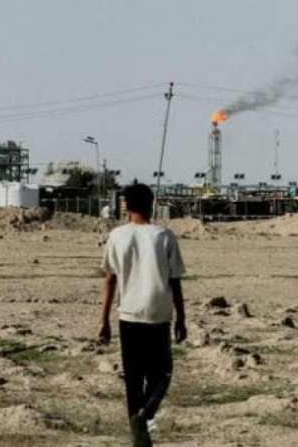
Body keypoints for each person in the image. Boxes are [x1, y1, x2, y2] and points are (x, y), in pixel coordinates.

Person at [98, 183, 187, 447]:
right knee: (162, 374)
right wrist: (181, 318)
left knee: (133, 379)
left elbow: (110, 280)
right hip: (158, 316)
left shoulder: (117, 236)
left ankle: (137, 430)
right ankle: (145, 415)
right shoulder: (164, 236)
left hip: (129, 316)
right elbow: (175, 281)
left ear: (126, 206)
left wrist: (103, 321)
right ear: (152, 204)